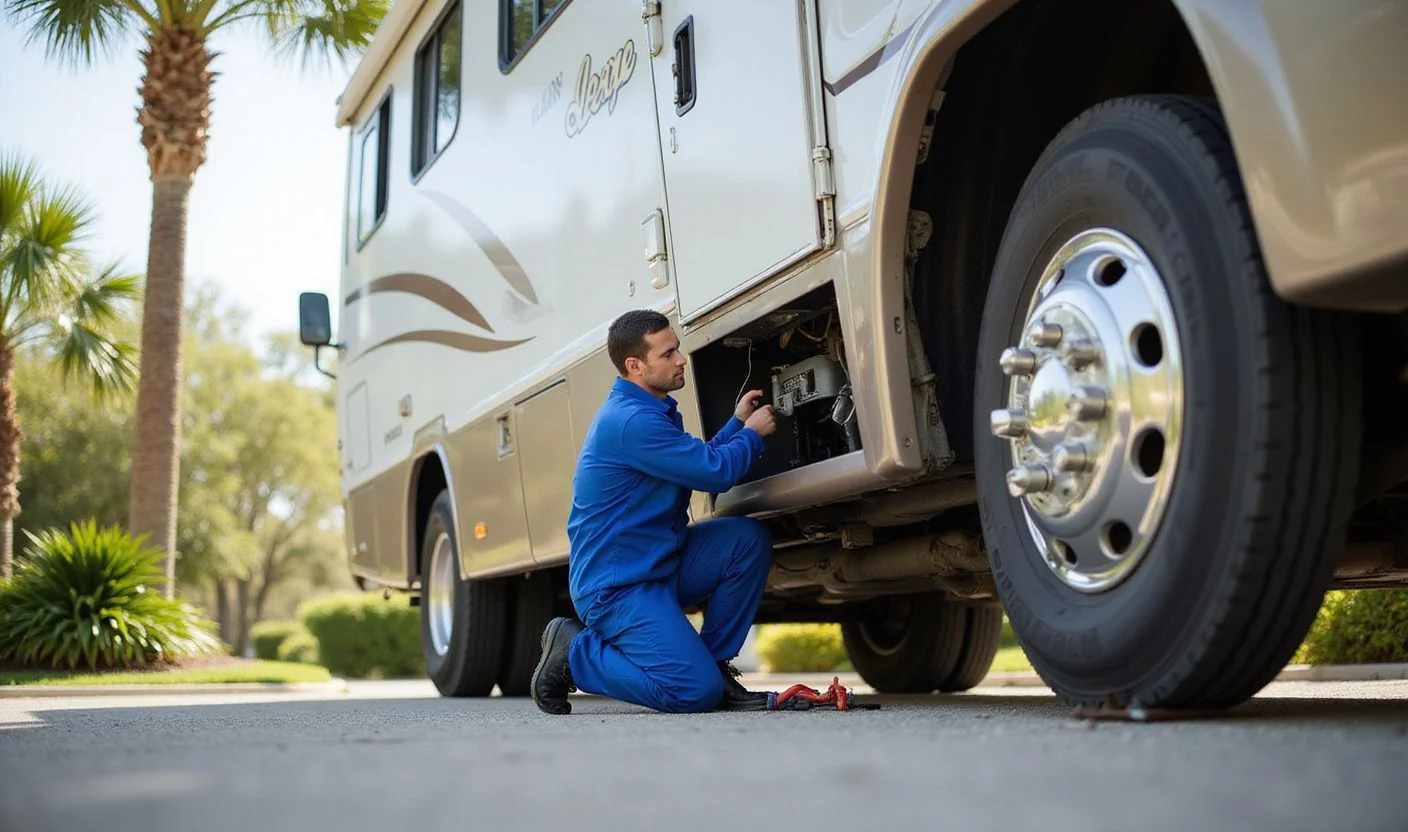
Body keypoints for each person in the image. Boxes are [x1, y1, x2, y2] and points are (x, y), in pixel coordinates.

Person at [532, 309, 778, 714]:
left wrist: (737, 424)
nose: (681, 359)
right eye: (667, 354)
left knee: (744, 541)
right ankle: (575, 652)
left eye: (677, 348)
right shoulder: (631, 421)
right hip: (618, 587)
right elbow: (716, 473)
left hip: (659, 564)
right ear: (635, 365)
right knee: (693, 693)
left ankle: (714, 667)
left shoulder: (649, 409)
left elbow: (695, 461)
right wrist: (752, 435)